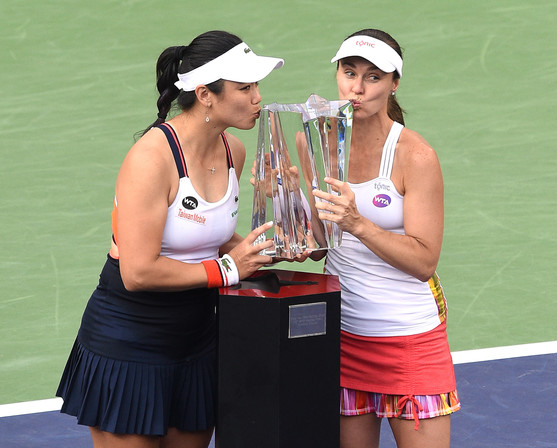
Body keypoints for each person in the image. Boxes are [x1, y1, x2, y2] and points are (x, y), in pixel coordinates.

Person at [56, 30, 283, 448]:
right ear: (206, 94)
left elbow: (209, 238)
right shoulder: (151, 158)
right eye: (245, 87)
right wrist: (230, 269)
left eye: (257, 86)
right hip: (129, 347)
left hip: (197, 344)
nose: (257, 98)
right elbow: (138, 272)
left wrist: (268, 241)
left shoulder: (233, 150)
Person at [311, 29, 461, 448]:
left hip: (410, 341)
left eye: (373, 77)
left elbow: (423, 261)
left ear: (394, 84)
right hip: (342, 340)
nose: (356, 88)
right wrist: (286, 201)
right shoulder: (318, 141)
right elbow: (319, 246)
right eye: (349, 72)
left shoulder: (416, 156)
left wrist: (359, 223)